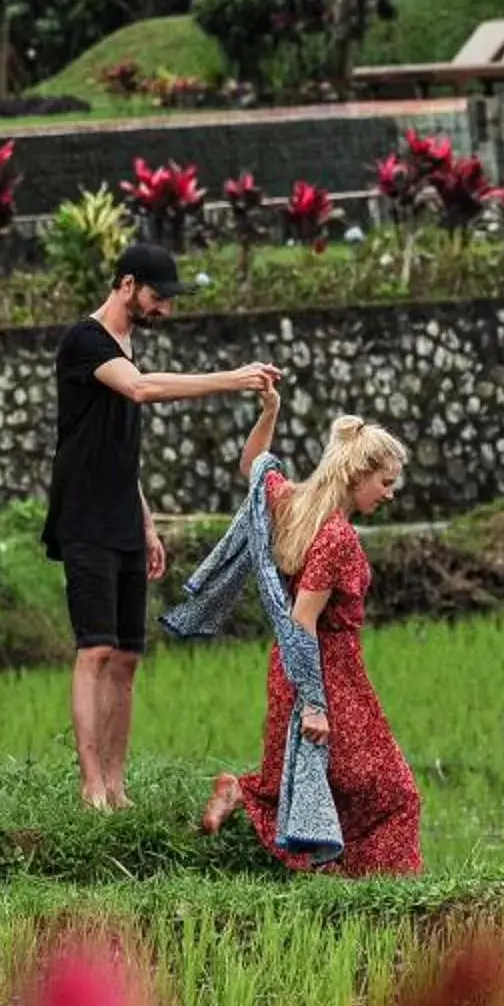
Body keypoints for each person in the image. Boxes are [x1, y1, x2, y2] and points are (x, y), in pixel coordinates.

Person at [47, 238, 280, 810]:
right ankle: (91, 785)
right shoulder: (85, 342)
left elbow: (121, 457)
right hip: (84, 519)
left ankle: (118, 786)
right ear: (125, 285)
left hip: (124, 518)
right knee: (95, 650)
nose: (165, 310)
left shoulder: (125, 345)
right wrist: (233, 378)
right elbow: (143, 390)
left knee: (126, 657)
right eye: (157, 297)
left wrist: (147, 525)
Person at [200, 391, 422, 875]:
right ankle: (382, 889)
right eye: (385, 482)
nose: (390, 493)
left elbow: (254, 466)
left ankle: (248, 798)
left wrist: (270, 412)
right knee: (395, 794)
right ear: (355, 475)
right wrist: (317, 703)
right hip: (325, 673)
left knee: (312, 777)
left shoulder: (296, 504)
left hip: (291, 668)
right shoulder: (337, 537)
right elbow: (303, 618)